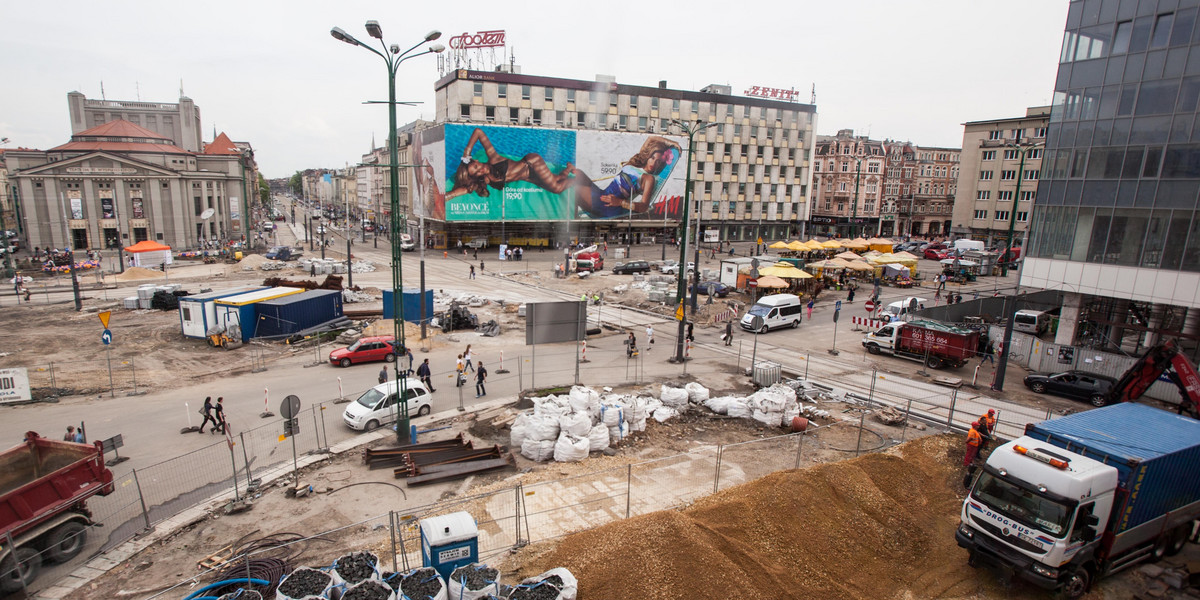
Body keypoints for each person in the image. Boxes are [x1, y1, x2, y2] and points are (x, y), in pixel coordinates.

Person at [446, 128, 574, 200]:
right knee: (557, 179)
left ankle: (579, 180)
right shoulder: (485, 179)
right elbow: (467, 189)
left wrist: (467, 151)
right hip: (529, 176)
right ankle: (568, 168)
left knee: (556, 188)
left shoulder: (493, 159)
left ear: (477, 161)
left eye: (476, 166)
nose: (480, 170)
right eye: (476, 172)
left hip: (532, 163)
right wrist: (448, 196)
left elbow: (478, 132)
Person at [572, 137, 683, 219]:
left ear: (661, 165)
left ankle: (570, 221)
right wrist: (672, 143)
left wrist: (620, 202)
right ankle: (572, 216)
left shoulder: (649, 179)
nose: (653, 163)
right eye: (652, 158)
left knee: (572, 188)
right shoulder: (636, 163)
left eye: (658, 162)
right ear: (648, 156)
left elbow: (644, 207)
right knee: (576, 173)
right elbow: (650, 138)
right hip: (603, 194)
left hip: (609, 205)